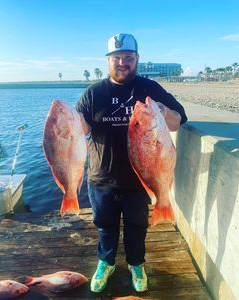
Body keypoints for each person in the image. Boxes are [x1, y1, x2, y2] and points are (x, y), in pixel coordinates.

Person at [76, 33, 187, 293]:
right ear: (108, 61)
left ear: (137, 59)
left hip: (141, 179)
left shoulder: (150, 88)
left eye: (128, 57)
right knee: (105, 226)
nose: (122, 62)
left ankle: (137, 264)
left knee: (137, 227)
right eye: (117, 58)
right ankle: (106, 263)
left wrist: (163, 111)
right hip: (101, 179)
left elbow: (178, 119)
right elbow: (78, 129)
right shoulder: (93, 94)